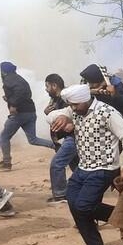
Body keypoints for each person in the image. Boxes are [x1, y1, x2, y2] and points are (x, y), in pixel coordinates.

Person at [47, 84, 123, 245]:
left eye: (75, 105)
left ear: (85, 100)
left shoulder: (108, 113)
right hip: (84, 167)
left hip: (104, 168)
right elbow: (49, 116)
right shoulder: (74, 110)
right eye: (70, 105)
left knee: (83, 206)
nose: (72, 109)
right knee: (73, 201)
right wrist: (61, 117)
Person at [0, 61, 55, 170]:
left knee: (4, 137)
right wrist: (9, 99)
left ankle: (6, 163)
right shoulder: (19, 78)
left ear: (4, 71)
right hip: (30, 112)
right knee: (33, 139)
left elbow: (20, 91)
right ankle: (56, 146)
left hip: (20, 114)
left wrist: (13, 104)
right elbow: (25, 93)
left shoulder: (9, 79)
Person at [45, 74, 77, 203]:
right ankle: (75, 189)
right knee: (78, 167)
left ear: (54, 85)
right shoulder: (55, 99)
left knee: (57, 164)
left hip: (72, 138)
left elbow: (76, 114)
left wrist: (71, 123)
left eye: (47, 86)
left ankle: (60, 195)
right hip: (66, 138)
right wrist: (48, 113)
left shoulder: (67, 98)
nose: (46, 89)